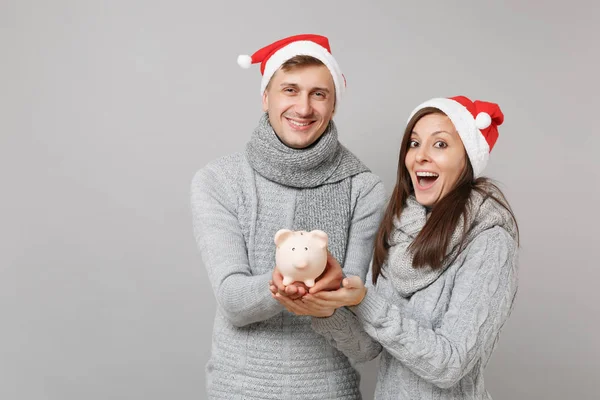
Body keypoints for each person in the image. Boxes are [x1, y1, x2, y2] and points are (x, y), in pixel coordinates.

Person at [274, 96, 519, 399]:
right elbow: (367, 348)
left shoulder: (489, 241)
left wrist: (364, 300)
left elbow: (450, 365)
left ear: (467, 157)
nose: (420, 156)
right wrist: (325, 309)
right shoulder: (399, 230)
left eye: (440, 144)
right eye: (414, 144)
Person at [190, 34, 386, 399]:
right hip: (239, 390)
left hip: (330, 392)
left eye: (319, 94)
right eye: (290, 90)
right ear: (266, 97)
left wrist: (328, 303)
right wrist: (283, 283)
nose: (304, 107)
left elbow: (365, 345)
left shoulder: (363, 189)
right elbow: (233, 301)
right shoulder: (218, 180)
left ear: (333, 105)